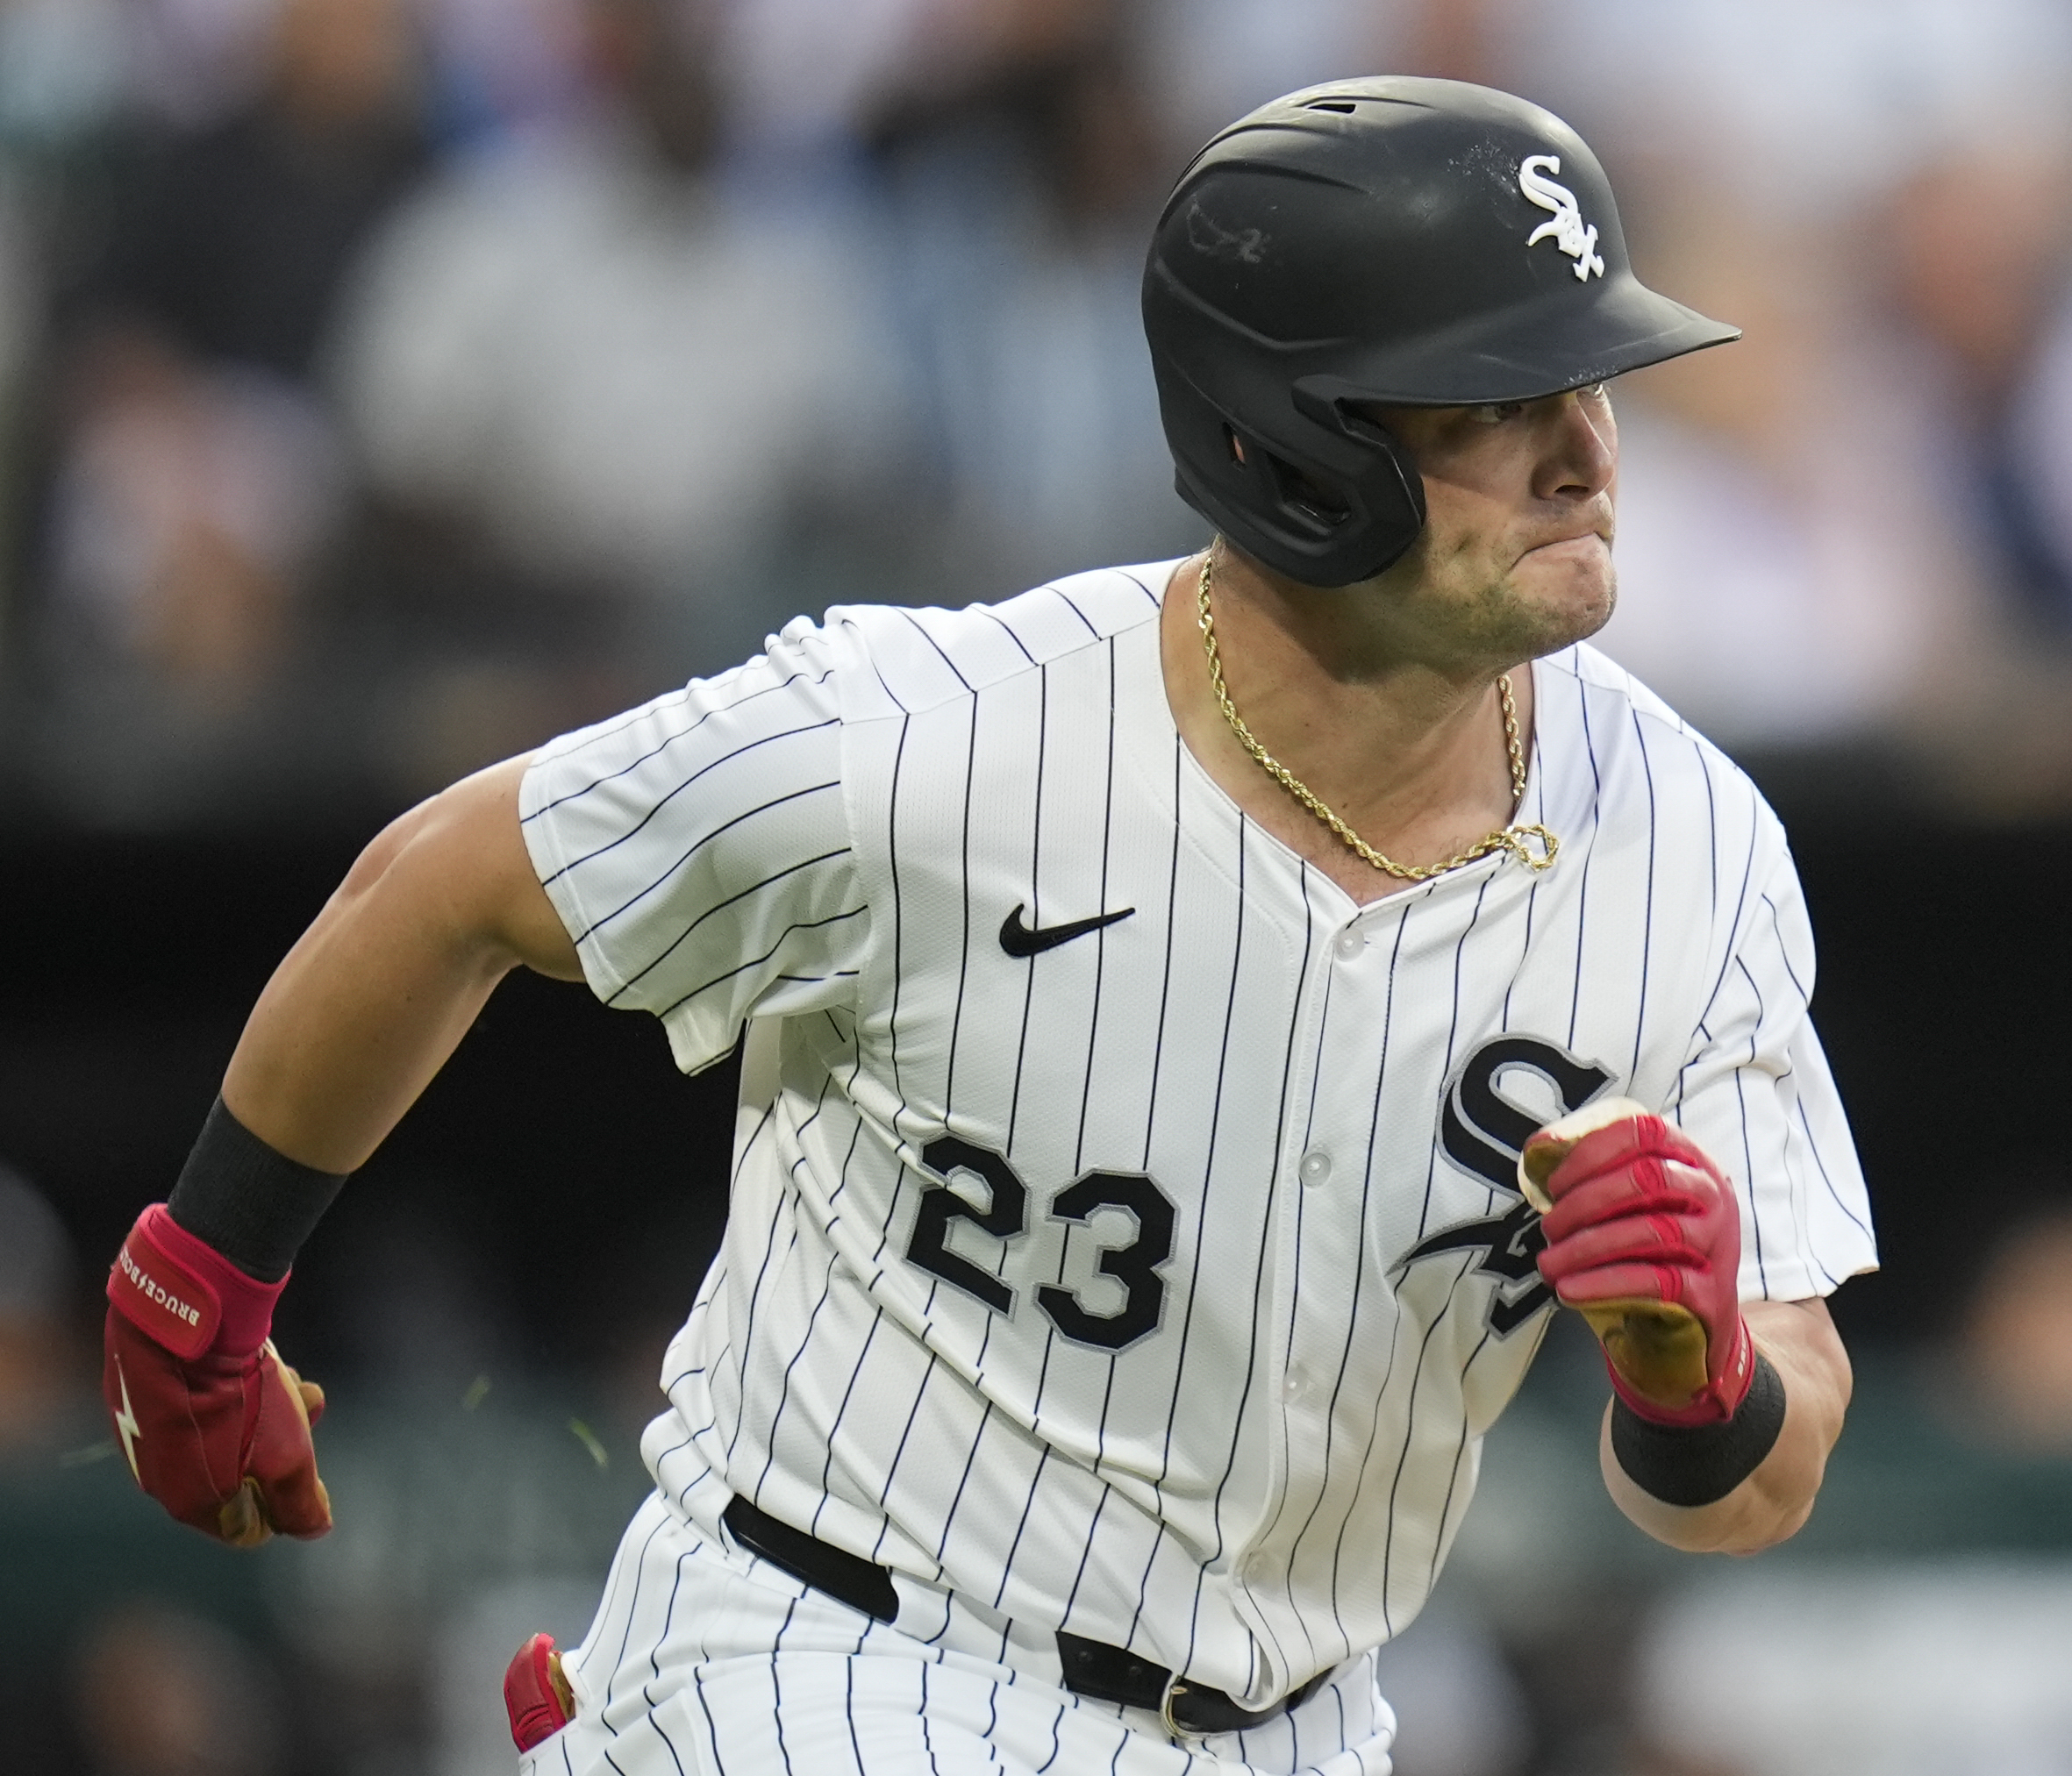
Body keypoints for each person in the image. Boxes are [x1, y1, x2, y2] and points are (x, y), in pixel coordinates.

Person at [96, 77, 1874, 1774]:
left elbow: (1755, 1468)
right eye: (1493, 401)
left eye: (1593, 380)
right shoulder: (934, 735)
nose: (1584, 450)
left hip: (1307, 1713)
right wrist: (206, 1276)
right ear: (1291, 446)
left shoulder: (1693, 844)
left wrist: (1698, 1383)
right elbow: (451, 874)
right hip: (835, 1653)